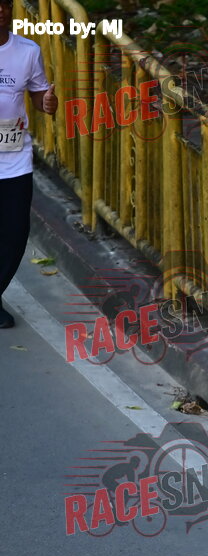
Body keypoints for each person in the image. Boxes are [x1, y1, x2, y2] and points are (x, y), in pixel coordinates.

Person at [0, 0, 57, 328]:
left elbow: (38, 95)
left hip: (13, 158)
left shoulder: (27, 51)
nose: (0, 10)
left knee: (15, 233)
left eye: (4, 4)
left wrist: (47, 103)